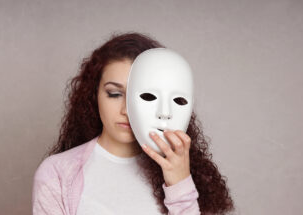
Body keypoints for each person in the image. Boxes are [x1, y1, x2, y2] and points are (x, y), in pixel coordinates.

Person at [32, 32, 234, 215]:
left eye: (144, 95)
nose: (126, 110)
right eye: (115, 94)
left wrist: (179, 185)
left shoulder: (183, 173)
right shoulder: (58, 174)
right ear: (93, 96)